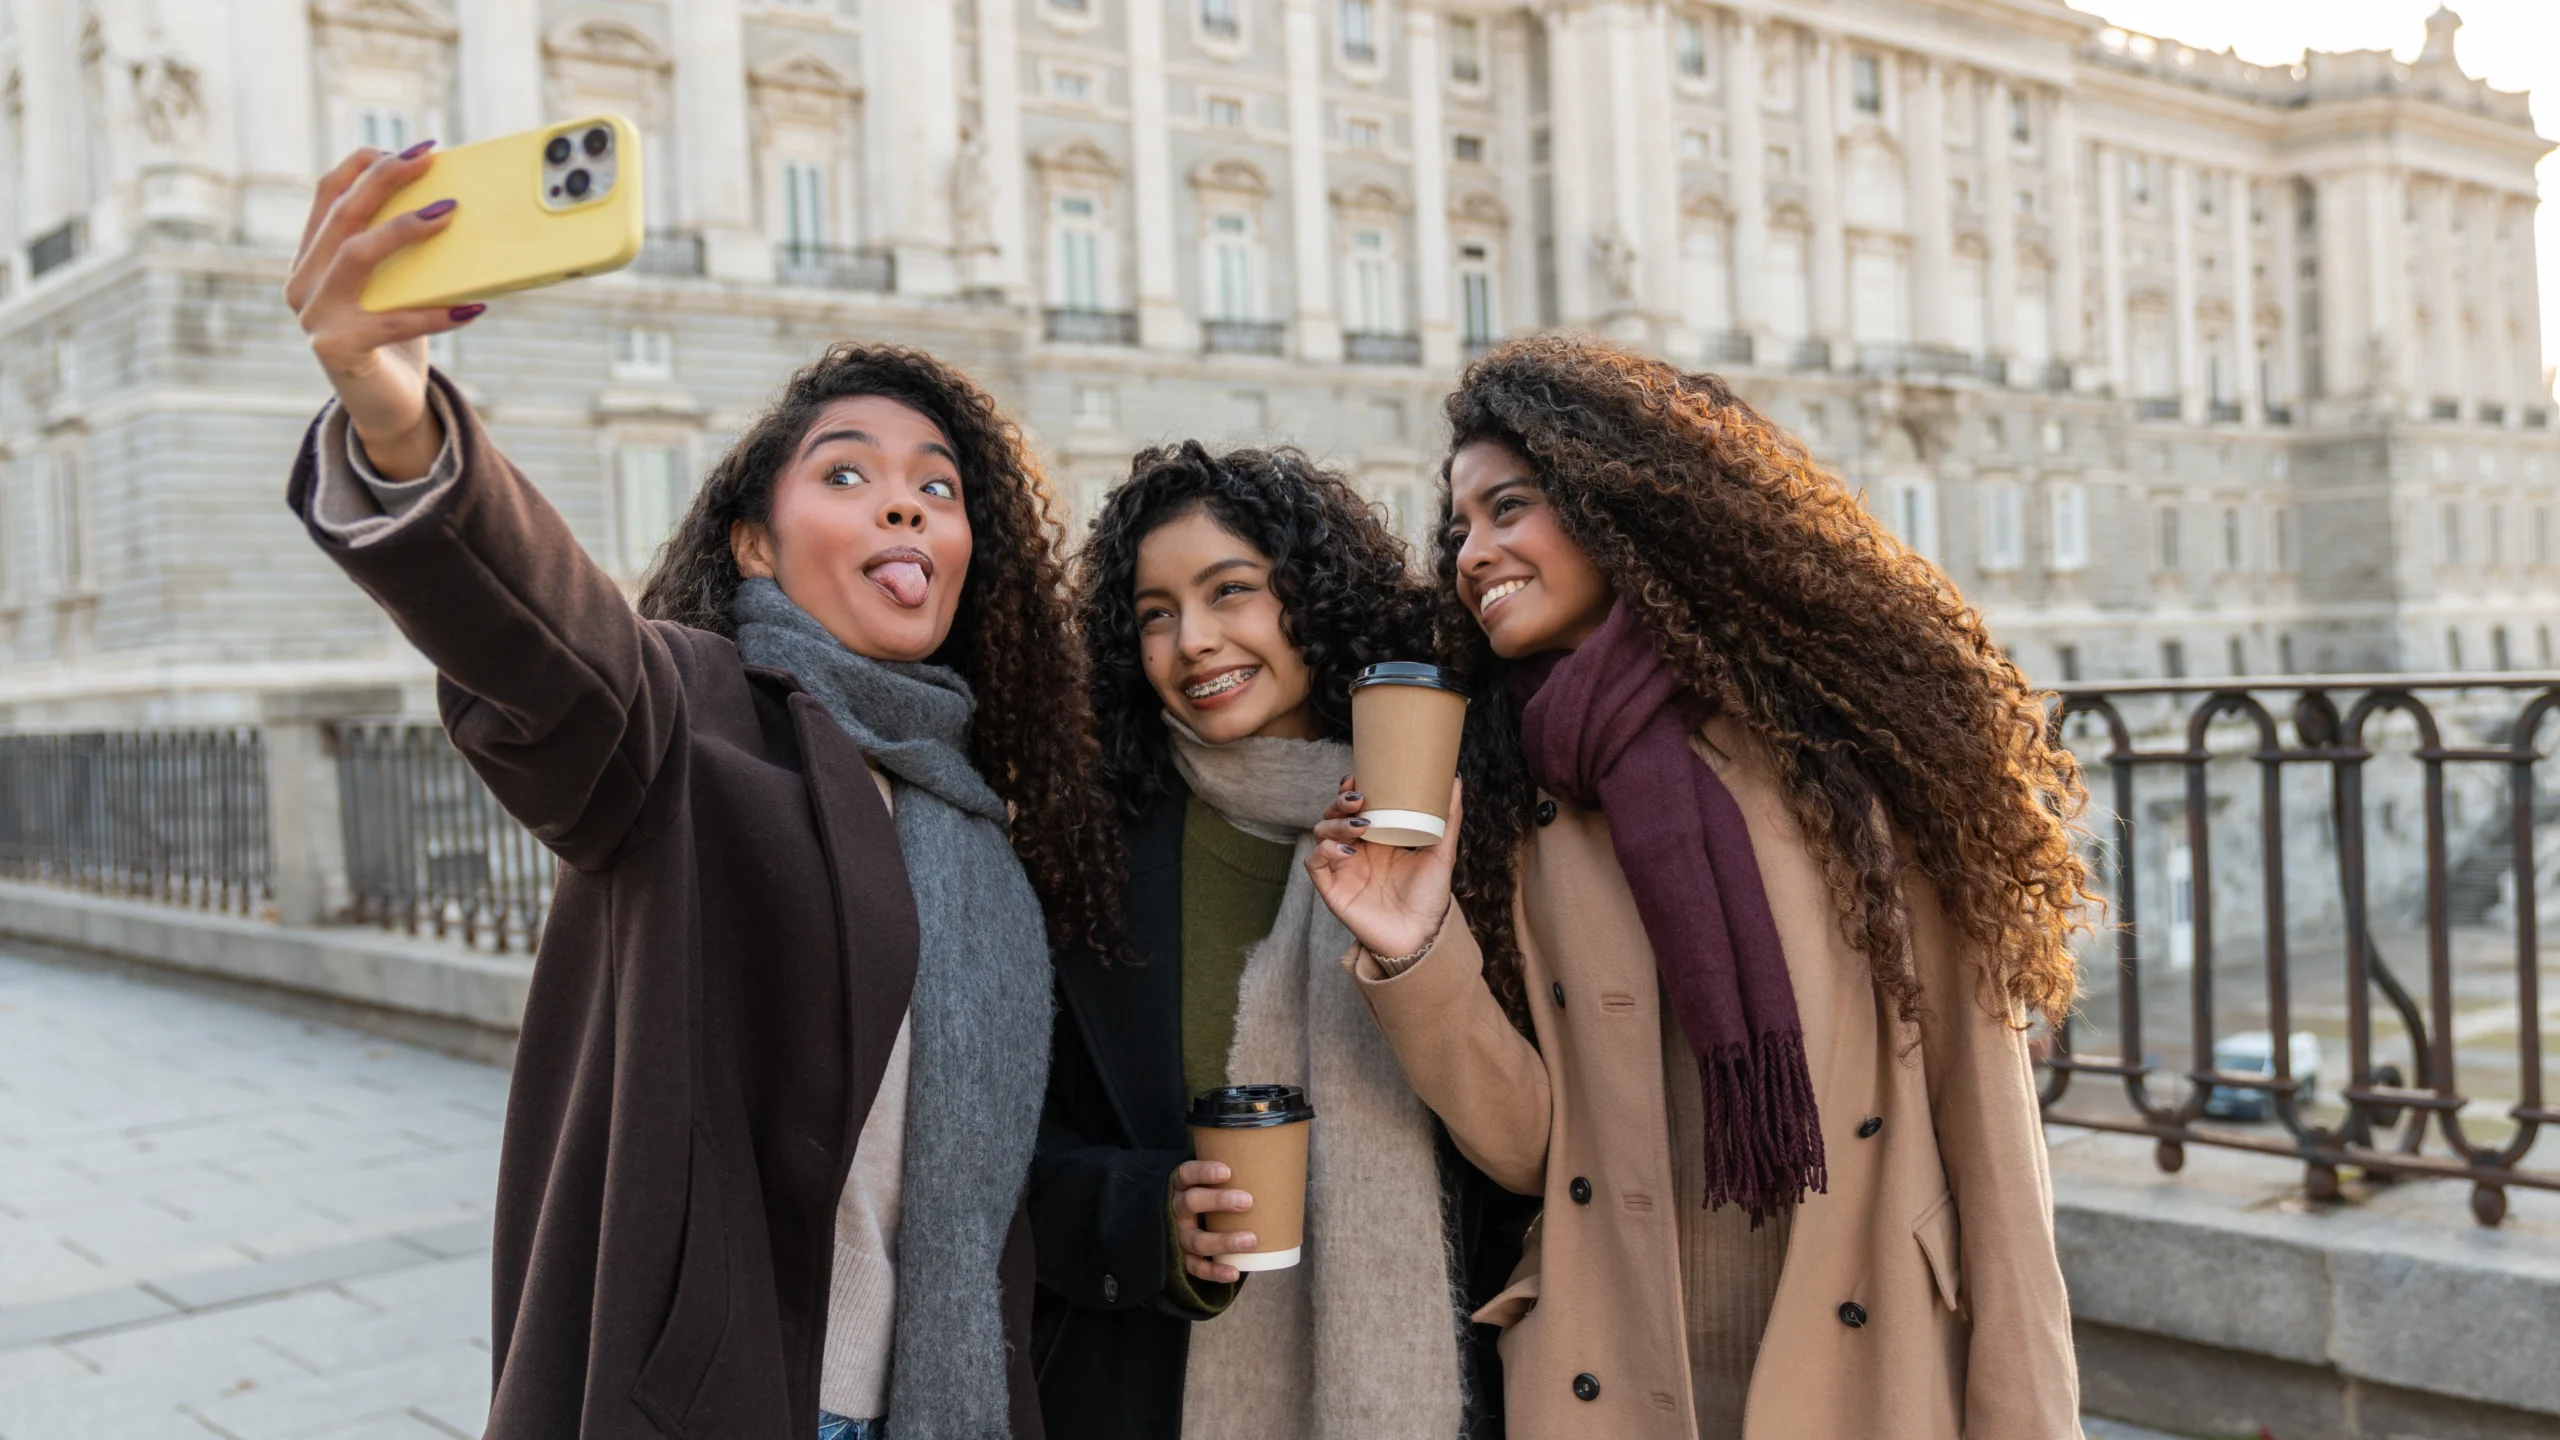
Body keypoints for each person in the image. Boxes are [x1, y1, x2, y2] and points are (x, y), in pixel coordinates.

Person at [282, 142, 1114, 1439]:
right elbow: (556, 659)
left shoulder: (982, 814)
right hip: (724, 1399)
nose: (904, 508)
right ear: (752, 540)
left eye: (936, 490)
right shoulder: (693, 719)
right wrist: (400, 424)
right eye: (848, 475)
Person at [1305, 336, 2091, 1440]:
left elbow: (1994, 1147)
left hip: (1868, 1366)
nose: (1473, 554)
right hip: (1616, 1371)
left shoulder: (1846, 757)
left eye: (1509, 508)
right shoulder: (1510, 788)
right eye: (1458, 529)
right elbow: (1541, 1149)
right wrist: (1411, 949)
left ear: (1615, 500)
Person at [1033, 443, 1535, 1440]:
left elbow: (1531, 1154)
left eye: (1231, 593)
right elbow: (1001, 1147)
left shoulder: (1452, 812)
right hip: (1147, 1396)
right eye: (1155, 616)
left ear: (1311, 597)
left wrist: (1412, 950)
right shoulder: (1080, 853)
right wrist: (1148, 1218)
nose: (1194, 642)